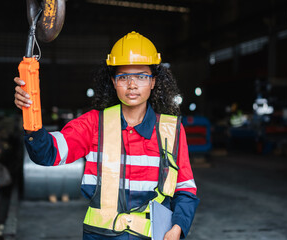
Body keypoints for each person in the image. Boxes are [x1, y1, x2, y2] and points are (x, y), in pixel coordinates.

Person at [14, 31, 199, 240]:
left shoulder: (171, 129)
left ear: (154, 81)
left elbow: (185, 188)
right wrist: (30, 113)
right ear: (113, 81)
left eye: (141, 76)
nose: (132, 85)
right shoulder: (93, 124)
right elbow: (47, 153)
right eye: (123, 77)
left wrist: (178, 228)